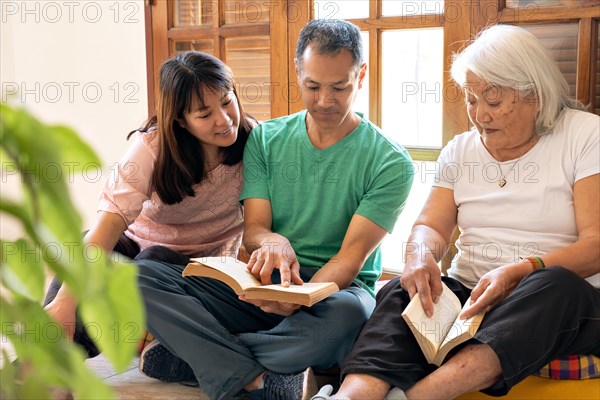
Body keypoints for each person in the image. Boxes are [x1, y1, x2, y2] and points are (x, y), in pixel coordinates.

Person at [312, 24, 600, 400]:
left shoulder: (584, 135)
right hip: (470, 294)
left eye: (493, 101)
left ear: (536, 95)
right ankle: (350, 396)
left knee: (554, 284)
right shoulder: (460, 150)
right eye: (472, 99)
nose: (479, 114)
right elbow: (431, 225)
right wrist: (419, 256)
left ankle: (417, 397)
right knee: (403, 290)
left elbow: (595, 245)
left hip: (555, 301)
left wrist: (518, 271)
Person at [136, 19, 414, 400]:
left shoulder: (390, 162)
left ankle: (203, 358)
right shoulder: (266, 139)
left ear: (360, 75)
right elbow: (255, 229)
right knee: (142, 275)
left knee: (349, 320)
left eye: (340, 86)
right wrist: (274, 245)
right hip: (264, 282)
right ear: (298, 74)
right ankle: (262, 375)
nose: (324, 100)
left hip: (334, 293)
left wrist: (299, 298)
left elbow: (349, 261)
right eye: (312, 86)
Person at [43, 51, 256, 358]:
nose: (223, 120)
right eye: (204, 113)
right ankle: (50, 356)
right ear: (181, 120)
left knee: (152, 261)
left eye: (227, 101)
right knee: (92, 250)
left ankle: (151, 337)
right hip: (137, 250)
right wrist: (65, 301)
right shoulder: (151, 149)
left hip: (201, 271)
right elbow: (109, 224)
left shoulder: (256, 142)